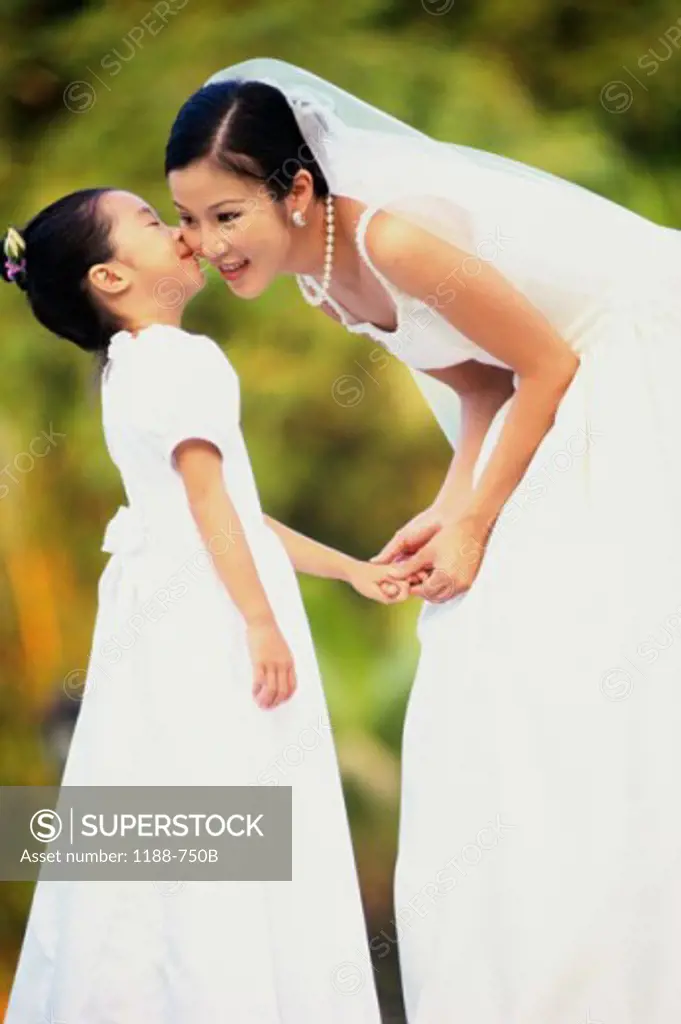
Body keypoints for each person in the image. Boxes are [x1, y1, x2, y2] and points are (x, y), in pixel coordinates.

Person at [164, 57, 681, 1024]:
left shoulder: (393, 238)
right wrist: (449, 506)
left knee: (578, 653)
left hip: (634, 367)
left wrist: (479, 525)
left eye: (226, 215)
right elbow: (479, 382)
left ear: (298, 188)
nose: (206, 243)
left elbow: (546, 363)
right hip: (549, 390)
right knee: (480, 651)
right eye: (189, 220)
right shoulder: (318, 276)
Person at [1, 187, 408, 1023]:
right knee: (237, 794)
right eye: (153, 222)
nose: (182, 232)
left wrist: (350, 570)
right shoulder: (183, 361)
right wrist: (260, 623)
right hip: (206, 622)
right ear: (111, 277)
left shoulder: (128, 369)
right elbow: (211, 509)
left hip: (165, 615)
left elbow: (232, 509)